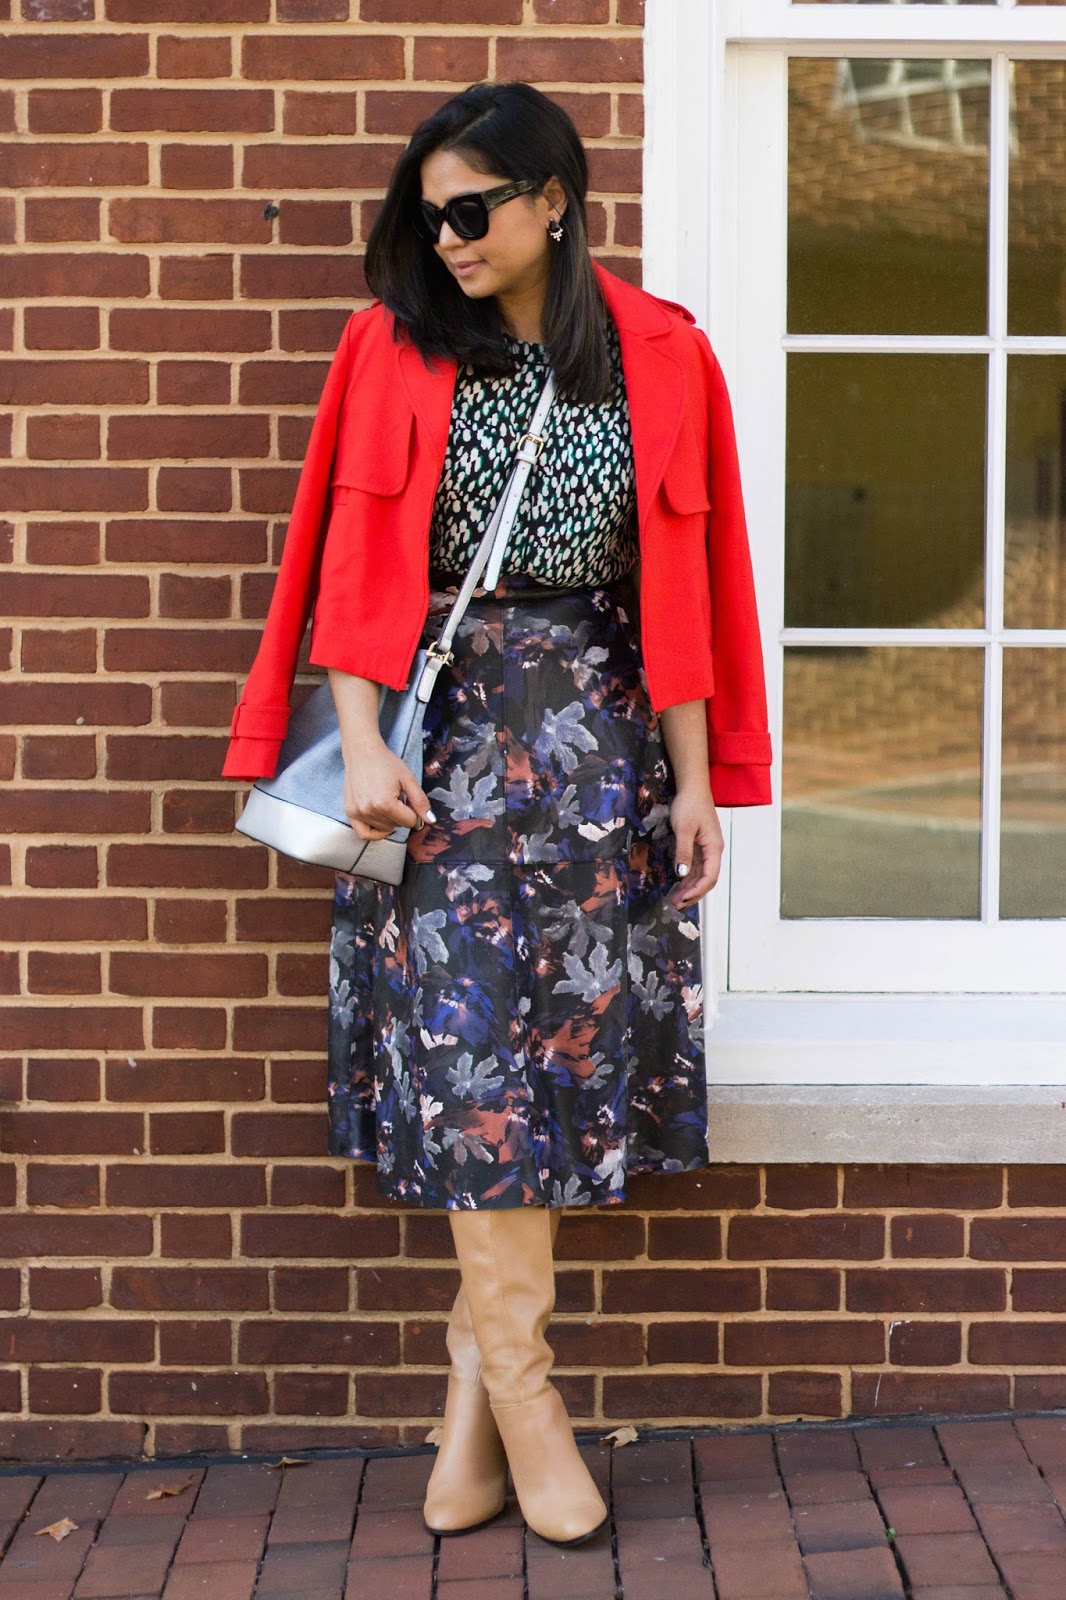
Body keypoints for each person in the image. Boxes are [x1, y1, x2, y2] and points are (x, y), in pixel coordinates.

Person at [222, 81, 771, 1548]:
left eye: (471, 209)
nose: (448, 239)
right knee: (473, 1057)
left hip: (598, 749)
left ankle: (474, 1380)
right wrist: (357, 738)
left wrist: (697, 780)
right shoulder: (388, 345)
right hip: (437, 749)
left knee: (558, 1053)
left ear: (554, 202)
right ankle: (530, 1392)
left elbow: (689, 578)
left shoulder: (662, 354)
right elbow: (346, 556)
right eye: (430, 216)